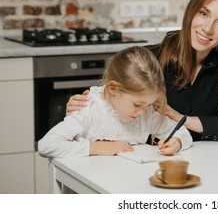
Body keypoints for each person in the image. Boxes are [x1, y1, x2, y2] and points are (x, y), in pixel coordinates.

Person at [66, 0, 218, 142]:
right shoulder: (148, 59)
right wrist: (83, 109)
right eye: (203, 14)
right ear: (192, 11)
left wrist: (184, 120)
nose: (208, 29)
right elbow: (108, 107)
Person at [38, 46, 192, 158]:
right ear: (113, 89)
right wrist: (97, 147)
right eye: (137, 104)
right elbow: (46, 145)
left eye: (148, 104)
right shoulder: (89, 108)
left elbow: (181, 131)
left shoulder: (145, 115)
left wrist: (177, 142)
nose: (143, 112)